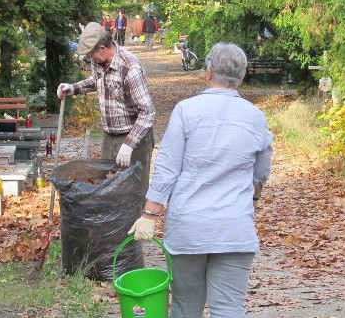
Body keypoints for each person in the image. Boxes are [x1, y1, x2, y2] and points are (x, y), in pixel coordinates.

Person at [127, 42, 273, 318]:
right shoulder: (255, 117)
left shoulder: (186, 111)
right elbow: (261, 172)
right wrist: (253, 199)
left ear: (208, 72)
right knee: (229, 308)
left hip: (188, 229)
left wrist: (150, 214)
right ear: (241, 77)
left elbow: (168, 167)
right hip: (234, 229)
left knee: (185, 307)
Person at [57, 22, 155, 190]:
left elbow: (147, 112)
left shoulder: (130, 68)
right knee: (108, 188)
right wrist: (73, 88)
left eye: (90, 54)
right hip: (109, 136)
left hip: (134, 137)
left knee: (131, 190)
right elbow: (97, 81)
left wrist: (129, 145)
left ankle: (136, 217)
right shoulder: (98, 61)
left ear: (102, 47)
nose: (89, 58)